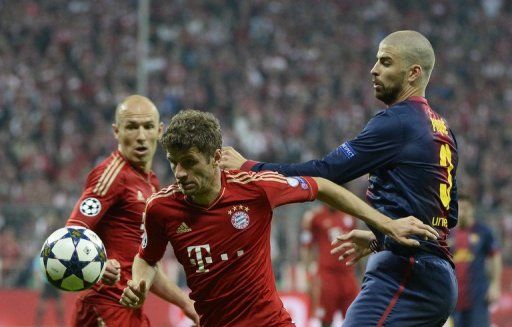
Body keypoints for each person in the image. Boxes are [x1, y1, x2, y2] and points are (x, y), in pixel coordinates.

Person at [221, 30, 459, 326]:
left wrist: (250, 167)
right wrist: (379, 237)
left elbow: (326, 173)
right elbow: (447, 216)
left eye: (385, 62)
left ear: (413, 73)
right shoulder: (443, 130)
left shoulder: (397, 121)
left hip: (406, 273)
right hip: (437, 277)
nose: (374, 69)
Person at [119, 109, 438, 327]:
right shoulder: (160, 208)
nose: (180, 173)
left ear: (216, 158)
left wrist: (384, 222)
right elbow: (147, 258)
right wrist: (139, 284)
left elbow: (323, 186)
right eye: (174, 163)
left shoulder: (256, 188)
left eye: (189, 162)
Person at [65, 95, 199, 326]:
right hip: (104, 302)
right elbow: (73, 231)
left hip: (127, 307)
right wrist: (96, 262)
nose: (140, 137)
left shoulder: (151, 183)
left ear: (159, 131)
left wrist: (185, 303)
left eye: (147, 127)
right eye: (131, 127)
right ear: (117, 131)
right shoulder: (111, 174)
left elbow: (146, 264)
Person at [300, 204, 359, 326]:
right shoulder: (316, 217)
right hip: (327, 276)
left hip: (348, 275)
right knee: (326, 320)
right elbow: (307, 246)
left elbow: (357, 245)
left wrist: (360, 273)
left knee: (355, 317)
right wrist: (307, 274)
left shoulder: (350, 217)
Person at [450, 195, 502, 327]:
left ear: (472, 209)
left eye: (466, 208)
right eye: (459, 208)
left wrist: (495, 285)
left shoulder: (483, 231)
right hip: (453, 298)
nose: (462, 212)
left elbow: (495, 256)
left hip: (477, 297)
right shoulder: (447, 234)